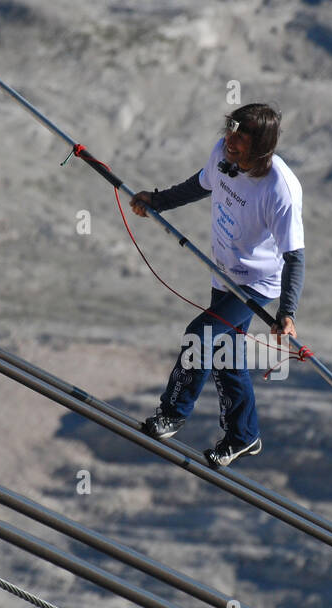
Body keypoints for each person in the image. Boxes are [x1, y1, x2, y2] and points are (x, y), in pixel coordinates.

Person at [129, 103, 305, 467]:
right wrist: (157, 201)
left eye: (241, 137)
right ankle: (244, 436)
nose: (230, 141)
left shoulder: (280, 190)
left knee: (200, 336)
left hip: (256, 284)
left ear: (262, 145)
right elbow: (199, 184)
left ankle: (172, 414)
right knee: (227, 358)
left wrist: (286, 312)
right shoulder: (222, 156)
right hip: (223, 273)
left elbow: (294, 257)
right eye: (230, 130)